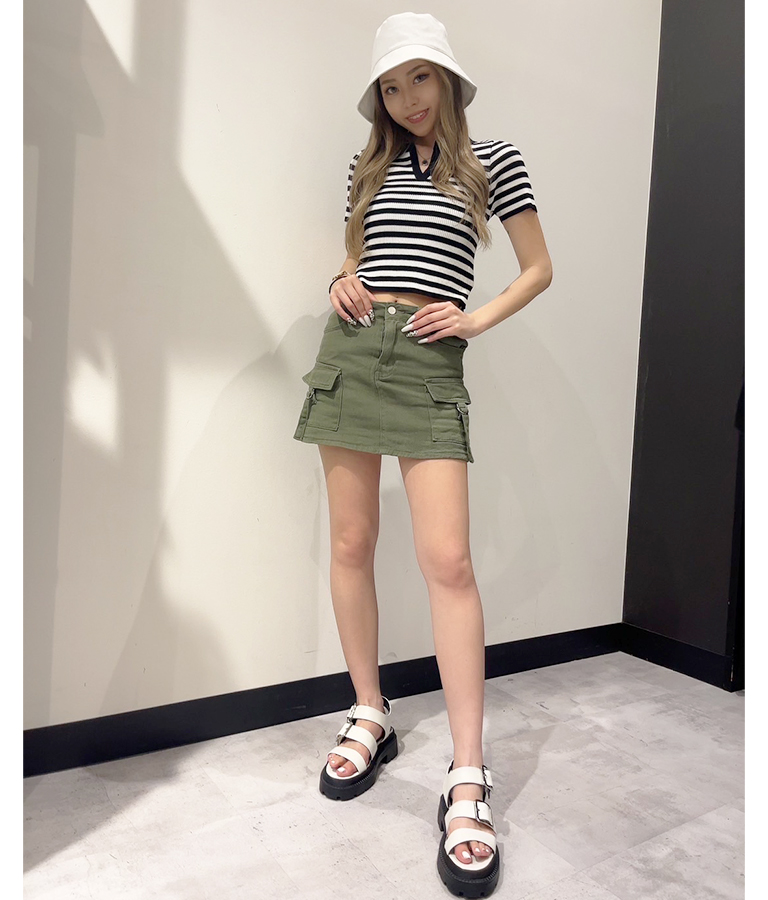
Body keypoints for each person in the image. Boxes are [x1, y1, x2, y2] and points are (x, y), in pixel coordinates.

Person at [293, 11, 552, 897]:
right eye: (392, 86)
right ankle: (370, 710)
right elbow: (356, 257)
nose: (407, 99)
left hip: (430, 361)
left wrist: (474, 319)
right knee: (350, 542)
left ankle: (468, 775)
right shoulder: (366, 166)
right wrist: (340, 279)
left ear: (448, 80)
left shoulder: (495, 161)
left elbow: (538, 267)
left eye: (421, 79)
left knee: (449, 562)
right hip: (353, 350)